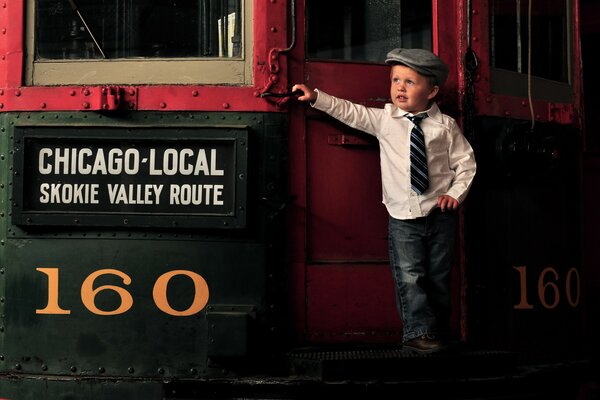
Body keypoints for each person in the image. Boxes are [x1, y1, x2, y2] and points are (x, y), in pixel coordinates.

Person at [292, 48, 476, 354]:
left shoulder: (445, 127)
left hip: (440, 214)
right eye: (395, 80)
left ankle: (439, 331)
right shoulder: (386, 119)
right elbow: (351, 111)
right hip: (403, 217)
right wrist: (316, 98)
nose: (400, 87)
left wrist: (455, 194)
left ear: (431, 91)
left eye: (410, 82)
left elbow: (466, 164)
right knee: (410, 276)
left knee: (439, 277)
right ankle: (417, 332)